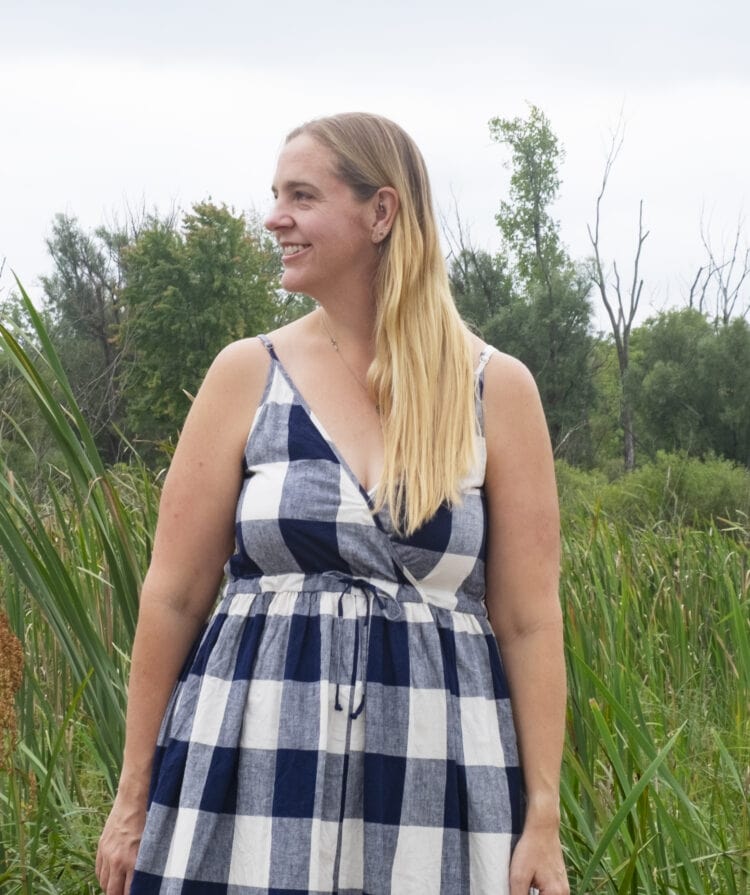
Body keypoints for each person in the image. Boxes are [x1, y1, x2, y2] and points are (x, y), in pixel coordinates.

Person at [96, 112, 569, 895]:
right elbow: (174, 595)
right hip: (249, 770)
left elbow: (528, 619)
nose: (275, 217)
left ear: (381, 213)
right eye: (275, 194)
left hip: (437, 774)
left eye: (302, 196)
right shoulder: (245, 373)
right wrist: (132, 795)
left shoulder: (496, 388)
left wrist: (542, 816)